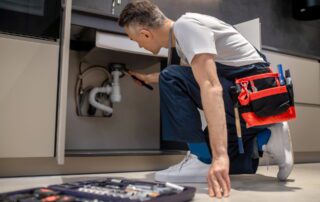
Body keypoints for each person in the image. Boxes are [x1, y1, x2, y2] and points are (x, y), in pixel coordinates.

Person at [118, 0, 294, 198]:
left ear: (145, 34)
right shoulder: (187, 32)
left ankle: (199, 159)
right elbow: (194, 76)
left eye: (135, 40)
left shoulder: (186, 26)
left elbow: (211, 87)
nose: (139, 45)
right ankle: (268, 136)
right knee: (226, 158)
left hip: (251, 96)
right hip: (254, 99)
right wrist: (148, 78)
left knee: (211, 156)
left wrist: (219, 157)